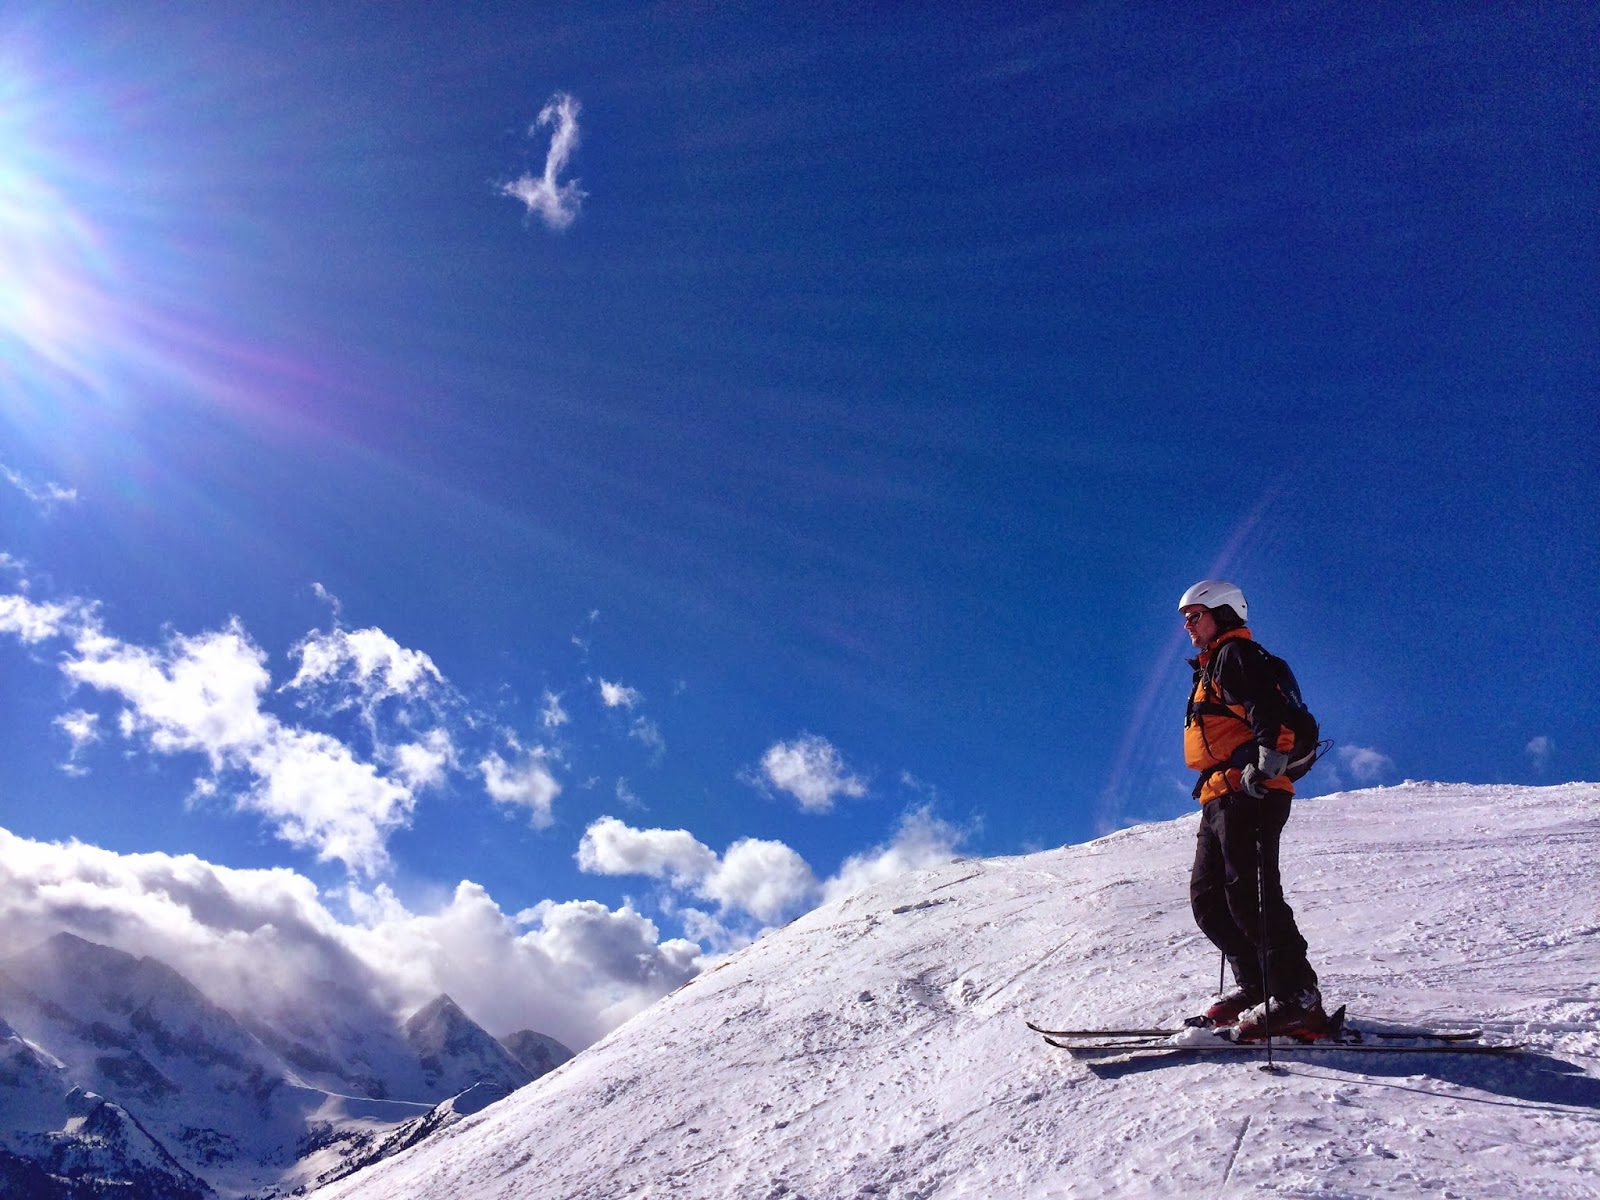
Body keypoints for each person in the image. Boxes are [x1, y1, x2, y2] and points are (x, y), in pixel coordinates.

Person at [1179, 579, 1326, 1040]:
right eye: (1185, 617)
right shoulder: (1208, 668)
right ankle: (1260, 987)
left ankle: (1297, 996)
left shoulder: (1235, 655)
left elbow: (1268, 708)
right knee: (1209, 899)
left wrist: (1267, 762)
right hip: (1219, 793)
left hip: (1253, 788)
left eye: (1195, 614)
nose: (1187, 624)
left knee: (1251, 894)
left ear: (1222, 613)